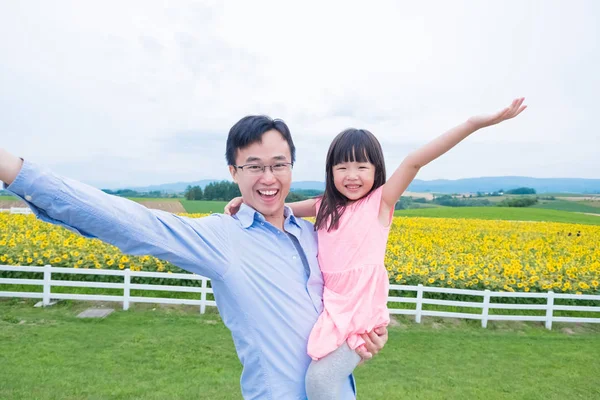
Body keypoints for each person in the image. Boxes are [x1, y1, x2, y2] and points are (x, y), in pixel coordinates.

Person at [0, 116, 388, 400]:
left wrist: (356, 349)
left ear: (291, 168)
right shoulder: (223, 238)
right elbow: (133, 223)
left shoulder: (313, 234)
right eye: (253, 167)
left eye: (278, 165)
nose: (268, 178)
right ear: (233, 172)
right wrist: (17, 173)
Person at [226, 98, 527, 399]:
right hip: (333, 310)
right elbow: (278, 207)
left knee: (319, 382)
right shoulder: (324, 205)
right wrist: (245, 202)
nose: (351, 175)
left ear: (376, 169)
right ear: (330, 172)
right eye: (341, 167)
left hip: (361, 315)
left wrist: (473, 124)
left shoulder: (380, 203)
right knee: (314, 378)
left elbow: (414, 160)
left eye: (361, 166)